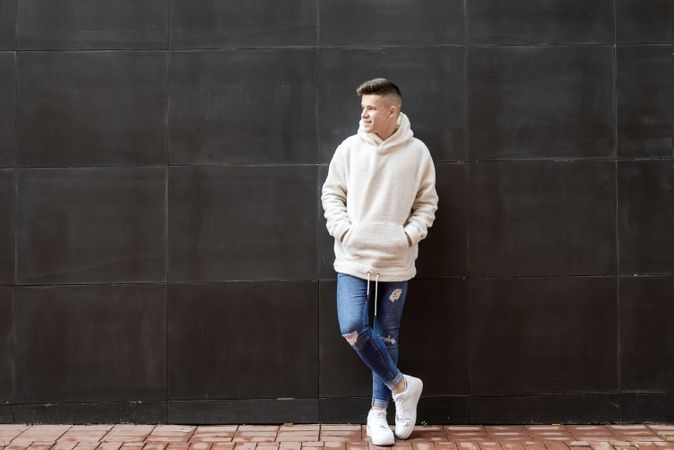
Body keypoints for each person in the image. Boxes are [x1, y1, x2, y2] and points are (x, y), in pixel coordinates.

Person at [321, 78, 439, 445]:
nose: (364, 113)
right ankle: (403, 387)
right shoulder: (349, 149)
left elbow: (427, 203)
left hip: (396, 259)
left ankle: (378, 414)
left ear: (393, 111)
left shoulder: (417, 152)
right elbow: (331, 194)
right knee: (354, 326)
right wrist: (345, 231)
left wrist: (408, 236)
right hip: (354, 258)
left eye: (371, 107)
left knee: (387, 337)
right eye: (363, 108)